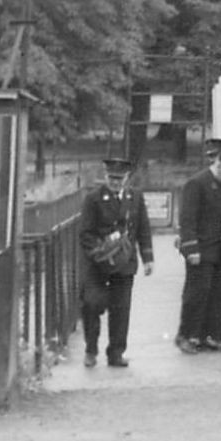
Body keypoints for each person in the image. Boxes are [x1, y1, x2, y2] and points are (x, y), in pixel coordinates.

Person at [78, 158, 154, 368]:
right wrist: (101, 251)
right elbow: (85, 233)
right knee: (92, 304)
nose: (115, 182)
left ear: (127, 178)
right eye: (112, 178)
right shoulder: (93, 199)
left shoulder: (135, 198)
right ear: (105, 176)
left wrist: (148, 258)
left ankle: (116, 353)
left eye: (120, 179)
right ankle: (91, 350)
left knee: (121, 309)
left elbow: (143, 229)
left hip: (124, 262)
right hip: (98, 264)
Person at [175, 146, 221, 354]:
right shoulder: (197, 184)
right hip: (202, 249)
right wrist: (191, 249)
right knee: (197, 294)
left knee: (218, 295)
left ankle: (214, 336)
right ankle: (187, 335)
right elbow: (187, 219)